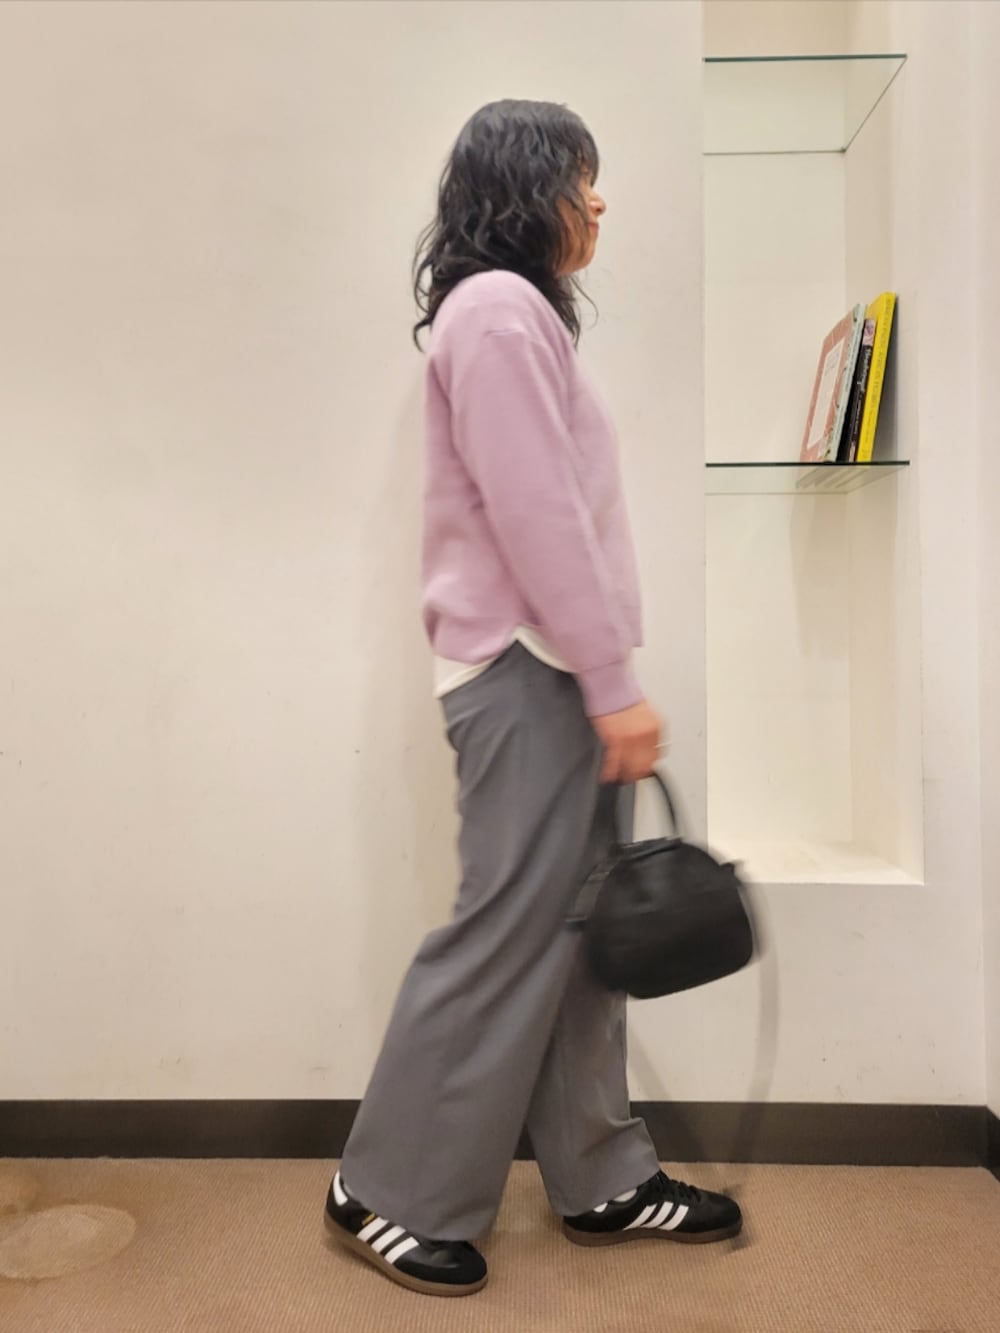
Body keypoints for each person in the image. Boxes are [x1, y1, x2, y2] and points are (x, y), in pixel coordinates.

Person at [324, 98, 741, 1298]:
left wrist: (601, 677)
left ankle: (600, 1176)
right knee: (507, 932)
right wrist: (611, 682)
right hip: (527, 672)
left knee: (582, 940)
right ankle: (385, 1190)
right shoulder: (499, 311)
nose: (597, 199)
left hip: (549, 671)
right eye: (577, 176)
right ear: (521, 186)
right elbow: (538, 514)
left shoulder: (512, 315)